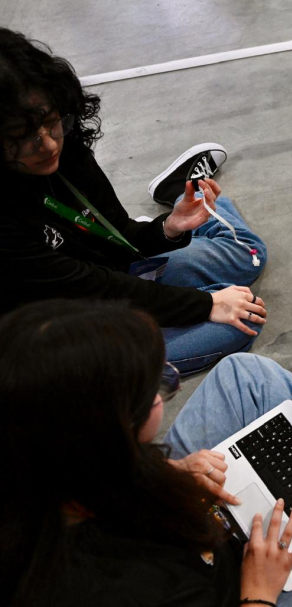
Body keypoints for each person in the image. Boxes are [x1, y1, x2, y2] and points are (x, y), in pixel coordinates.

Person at [0, 300, 292, 607]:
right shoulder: (102, 587)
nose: (164, 394)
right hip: (230, 586)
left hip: (168, 526)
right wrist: (258, 591)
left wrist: (170, 473)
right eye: (151, 391)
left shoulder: (44, 470)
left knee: (245, 374)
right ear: (103, 437)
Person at [0, 27, 268, 374]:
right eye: (24, 139)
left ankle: (183, 191)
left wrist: (170, 229)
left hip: (105, 276)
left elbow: (117, 236)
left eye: (52, 124)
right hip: (53, 332)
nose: (49, 145)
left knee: (248, 257)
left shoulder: (65, 145)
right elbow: (92, 289)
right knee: (237, 319)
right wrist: (205, 304)